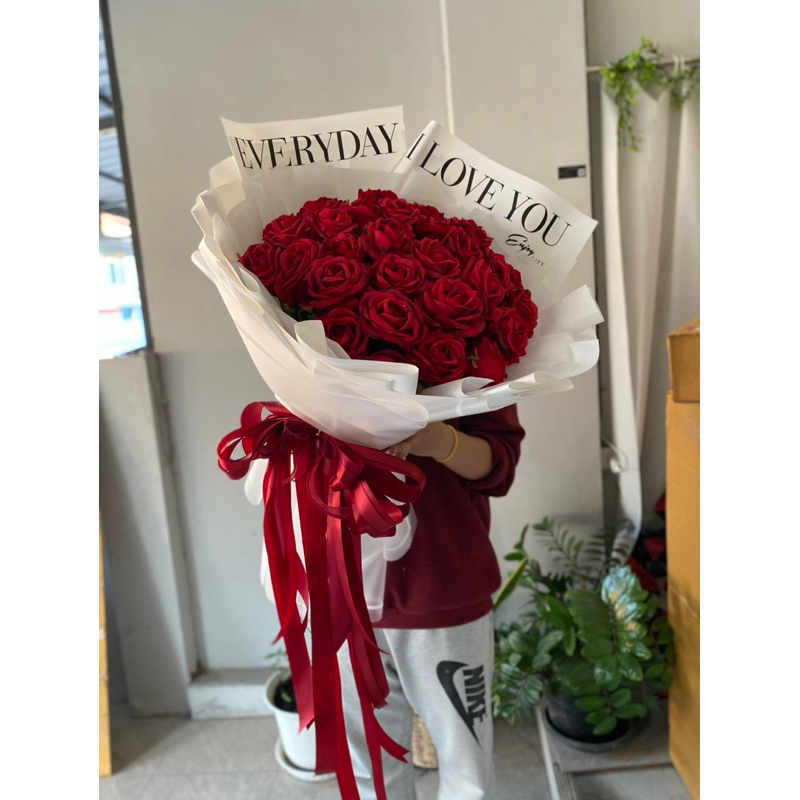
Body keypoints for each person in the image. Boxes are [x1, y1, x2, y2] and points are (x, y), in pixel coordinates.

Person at [338, 405, 525, 800]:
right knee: (369, 768)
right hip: (341, 587)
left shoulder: (478, 362)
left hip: (440, 583)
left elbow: (499, 463)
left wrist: (439, 440)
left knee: (467, 768)